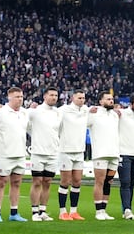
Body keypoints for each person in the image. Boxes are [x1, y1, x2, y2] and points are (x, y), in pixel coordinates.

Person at [0, 86, 30, 223]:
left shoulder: (25, 113)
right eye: (17, 97)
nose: (20, 99)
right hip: (4, 154)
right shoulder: (0, 113)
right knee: (1, 182)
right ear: (9, 97)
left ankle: (14, 212)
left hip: (20, 154)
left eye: (21, 97)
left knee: (17, 183)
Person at [28, 86, 62, 221]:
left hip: (53, 153)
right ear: (44, 96)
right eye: (51, 95)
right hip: (38, 152)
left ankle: (43, 211)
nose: (54, 97)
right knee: (37, 182)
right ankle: (34, 212)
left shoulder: (58, 113)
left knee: (47, 182)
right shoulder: (35, 111)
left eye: (56, 95)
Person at [87, 90, 121, 220]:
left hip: (114, 154)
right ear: (100, 101)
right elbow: (82, 122)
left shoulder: (115, 115)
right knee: (99, 181)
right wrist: (88, 112)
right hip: (100, 153)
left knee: (109, 182)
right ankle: (98, 211)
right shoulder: (94, 113)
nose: (111, 101)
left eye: (112, 99)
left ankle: (104, 210)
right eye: (107, 99)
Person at [58, 89, 89, 220]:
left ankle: (74, 211)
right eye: (79, 98)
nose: (81, 100)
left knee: (77, 181)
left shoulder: (86, 110)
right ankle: (62, 211)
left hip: (79, 150)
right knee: (65, 181)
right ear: (72, 98)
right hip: (66, 150)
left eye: (83, 98)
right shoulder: (63, 110)